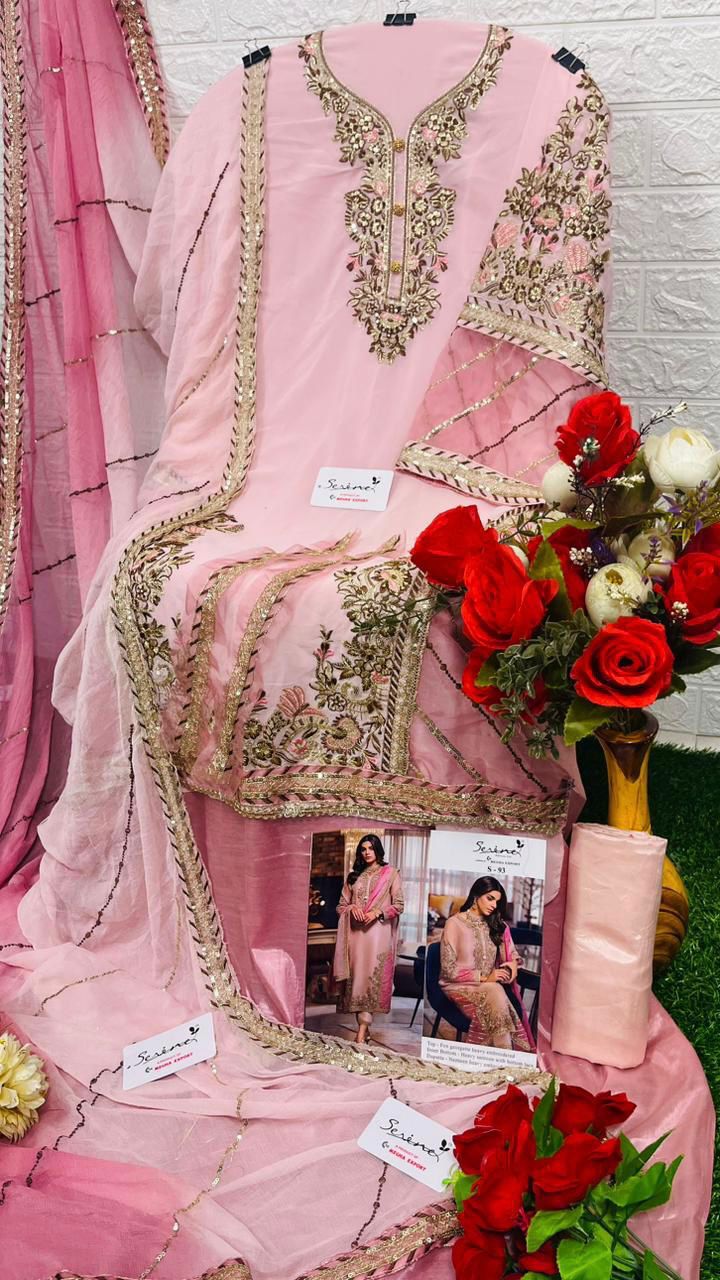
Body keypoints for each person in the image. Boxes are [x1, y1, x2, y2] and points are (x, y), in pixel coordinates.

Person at [438, 876, 534, 1051]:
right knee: (495, 991)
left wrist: (509, 968)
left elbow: (513, 956)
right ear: (476, 895)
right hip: (458, 986)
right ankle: (505, 1054)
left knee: (494, 992)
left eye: (497, 901)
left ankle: (496, 1055)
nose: (494, 905)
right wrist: (485, 978)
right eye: (490, 898)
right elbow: (448, 969)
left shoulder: (497, 925)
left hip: (490, 987)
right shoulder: (454, 923)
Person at [333, 835, 404, 1043]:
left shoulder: (391, 873)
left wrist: (377, 912)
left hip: (378, 934)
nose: (367, 852)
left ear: (377, 850)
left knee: (371, 979)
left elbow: (399, 905)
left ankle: (362, 1032)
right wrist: (352, 908)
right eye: (363, 849)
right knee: (357, 980)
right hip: (355, 935)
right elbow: (340, 906)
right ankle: (363, 1028)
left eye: (370, 848)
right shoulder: (353, 877)